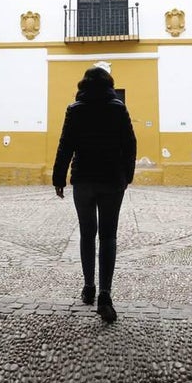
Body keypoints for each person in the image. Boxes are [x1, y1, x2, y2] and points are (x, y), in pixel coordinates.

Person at [52, 65, 137, 323]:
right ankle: (105, 295)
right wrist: (128, 175)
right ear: (109, 84)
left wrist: (59, 178)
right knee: (108, 236)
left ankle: (89, 287)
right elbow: (130, 144)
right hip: (112, 180)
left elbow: (65, 144)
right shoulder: (117, 107)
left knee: (87, 234)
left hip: (84, 180)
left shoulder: (74, 110)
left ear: (83, 86)